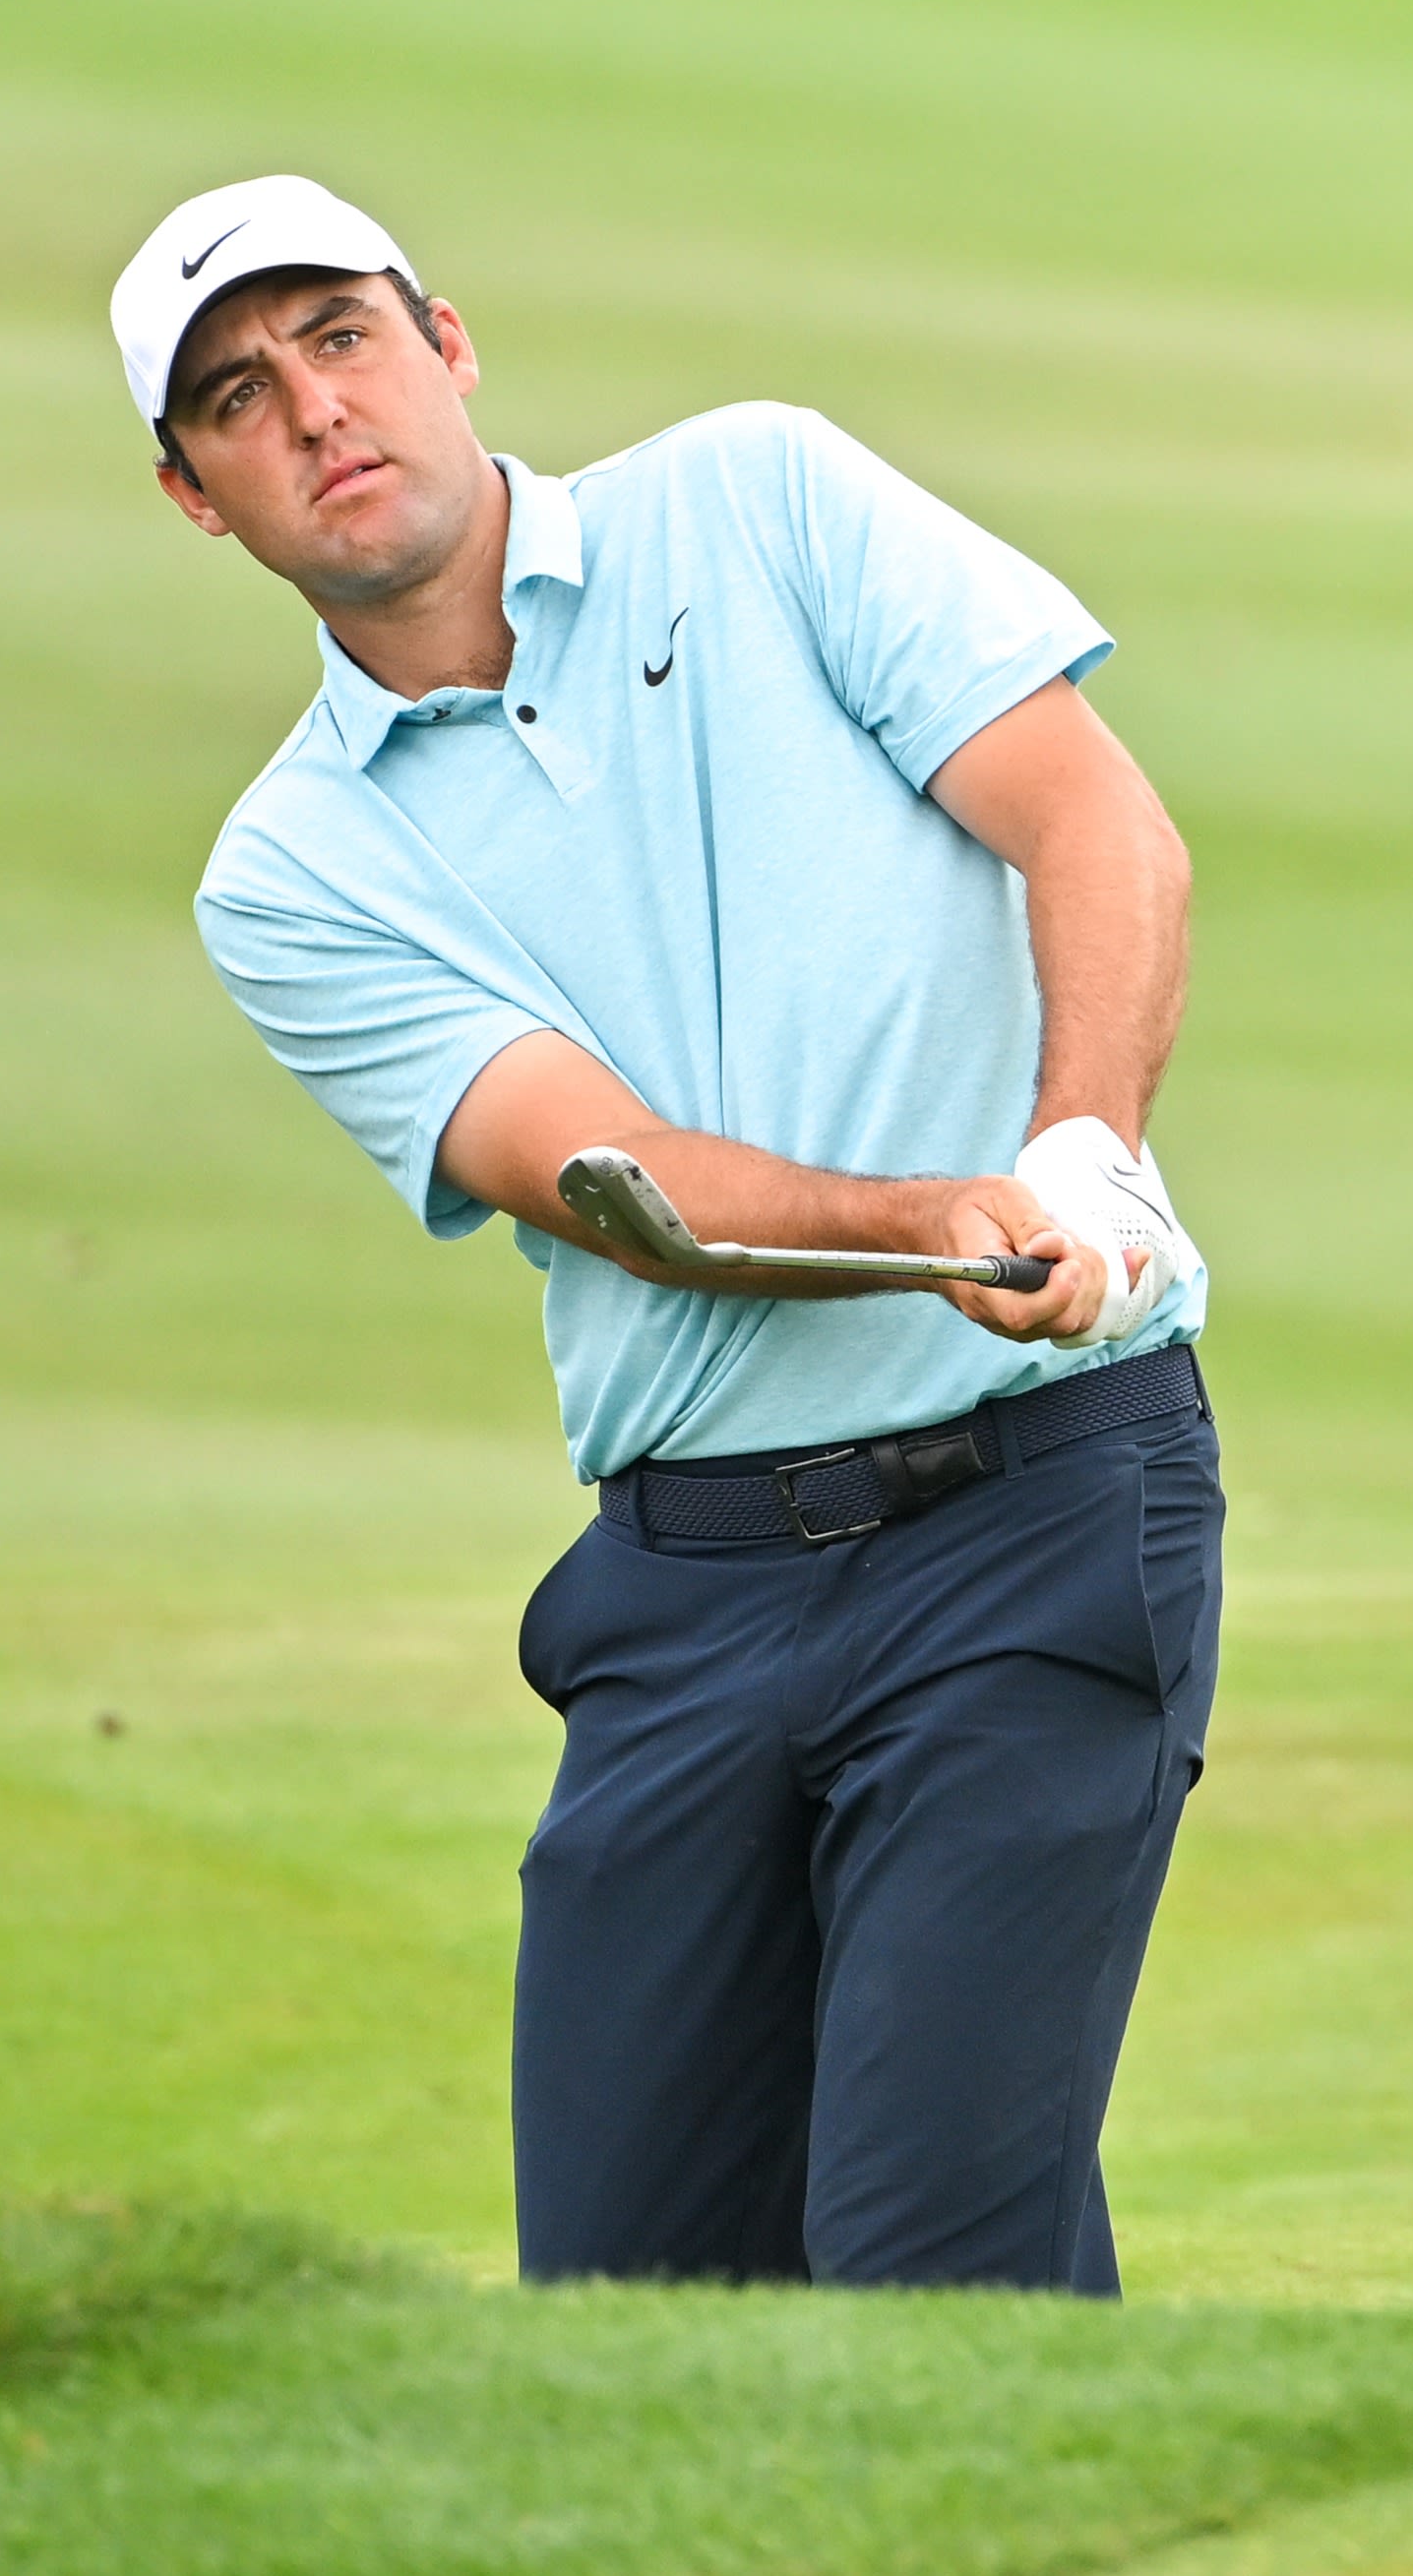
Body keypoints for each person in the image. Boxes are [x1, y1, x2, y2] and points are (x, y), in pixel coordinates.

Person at [110, 172, 1216, 2293]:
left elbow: (1092, 814)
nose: (316, 410)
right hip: (685, 1600)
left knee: (928, 2279)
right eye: (238, 399)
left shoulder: (763, 497)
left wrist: (1085, 1151)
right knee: (630, 2318)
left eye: (341, 337)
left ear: (448, 343)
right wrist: (943, 1210)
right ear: (195, 497)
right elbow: (617, 1187)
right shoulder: (292, 870)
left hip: (1033, 1514)